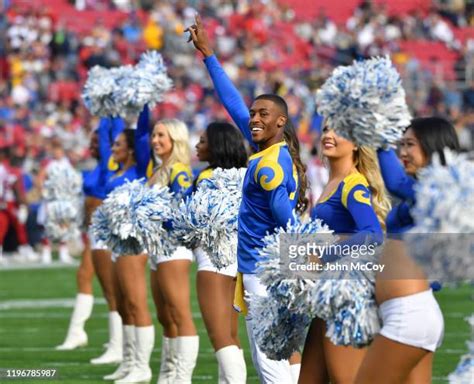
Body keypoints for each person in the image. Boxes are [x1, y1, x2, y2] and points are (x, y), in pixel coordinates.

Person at [187, 15, 308, 383]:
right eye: (254, 113)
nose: (253, 119)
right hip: (269, 267)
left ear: (280, 122)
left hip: (264, 270)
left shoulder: (269, 164)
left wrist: (301, 257)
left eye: (262, 114)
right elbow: (233, 104)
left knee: (270, 364)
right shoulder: (271, 150)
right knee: (279, 359)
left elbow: (282, 215)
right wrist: (209, 56)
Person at [299, 126, 389, 384]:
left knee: (345, 379)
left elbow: (372, 233)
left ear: (357, 144)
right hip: (327, 293)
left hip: (345, 295)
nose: (328, 134)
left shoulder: (353, 182)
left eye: (340, 131)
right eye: (326, 128)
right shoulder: (332, 182)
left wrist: (323, 256)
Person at [55, 117, 124, 354]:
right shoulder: (95, 169)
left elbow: (112, 136)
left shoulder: (109, 166)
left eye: (98, 142)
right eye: (92, 142)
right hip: (93, 232)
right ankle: (77, 332)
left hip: (107, 231)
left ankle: (117, 344)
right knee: (84, 276)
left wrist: (107, 111)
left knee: (109, 288)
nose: (93, 146)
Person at [102, 107, 155, 384]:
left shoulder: (140, 168)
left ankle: (142, 367)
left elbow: (144, 133)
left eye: (119, 144)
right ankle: (130, 361)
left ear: (133, 150)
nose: (113, 147)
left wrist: (145, 102)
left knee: (136, 302)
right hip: (116, 241)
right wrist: (106, 111)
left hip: (133, 242)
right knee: (123, 304)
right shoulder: (117, 170)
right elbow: (103, 140)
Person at [194, 122, 248, 383]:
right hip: (236, 258)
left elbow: (197, 219)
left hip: (212, 258)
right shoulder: (244, 175)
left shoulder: (207, 177)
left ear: (216, 146)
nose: (197, 145)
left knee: (220, 337)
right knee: (231, 334)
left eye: (203, 141)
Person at [146, 119, 198, 384]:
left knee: (180, 313)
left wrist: (154, 217)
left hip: (173, 248)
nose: (155, 140)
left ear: (175, 139)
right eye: (154, 135)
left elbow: (183, 211)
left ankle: (182, 377)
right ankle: (167, 375)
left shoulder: (179, 171)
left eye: (161, 135)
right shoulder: (157, 169)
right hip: (157, 249)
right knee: (164, 315)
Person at [377, 117, 460, 233]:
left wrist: (378, 135)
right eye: (402, 144)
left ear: (433, 145)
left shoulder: (446, 191)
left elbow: (397, 183)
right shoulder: (414, 190)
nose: (402, 153)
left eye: (410, 144)